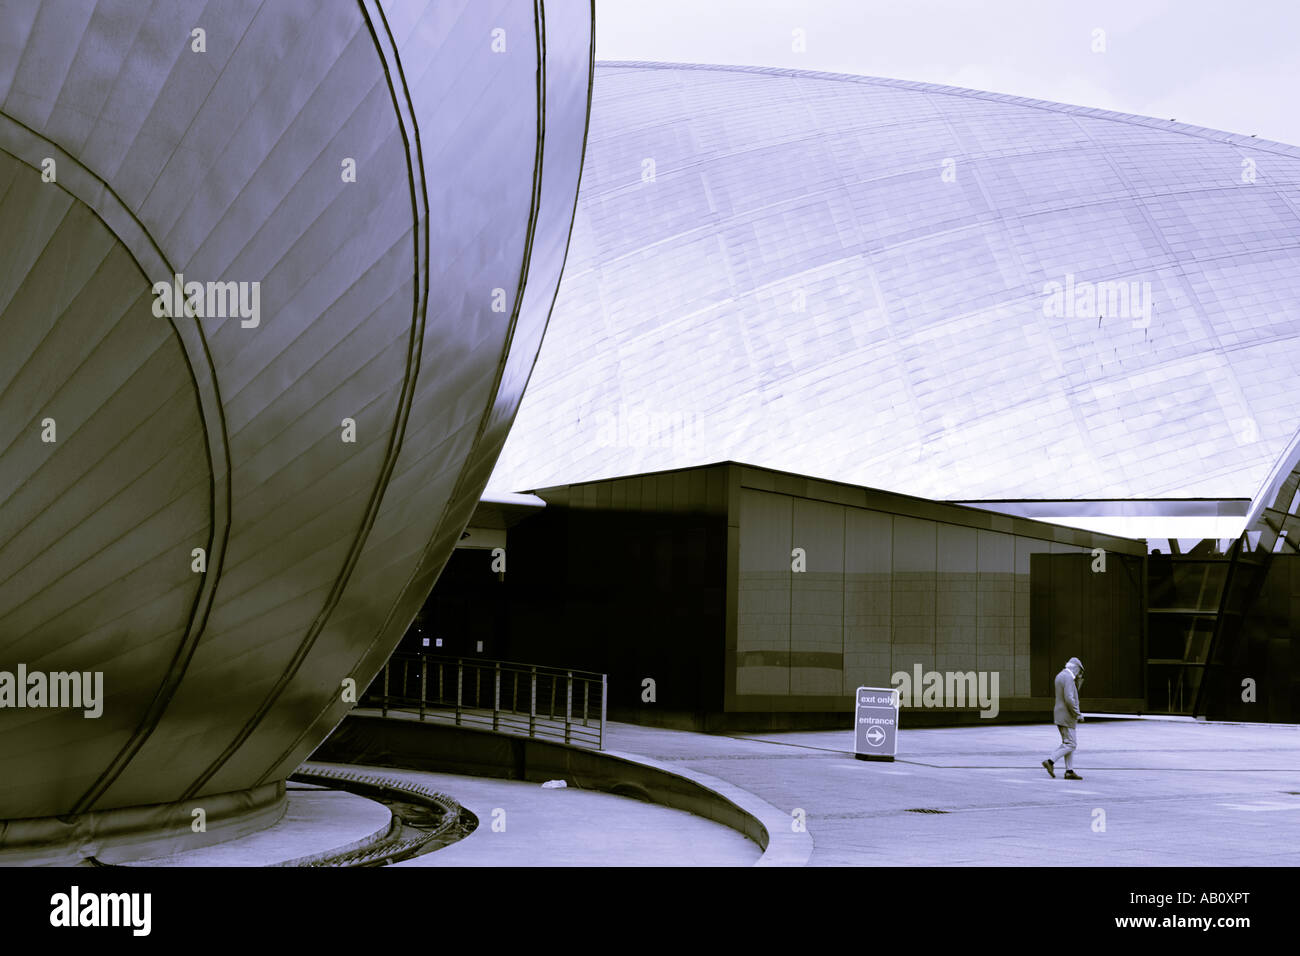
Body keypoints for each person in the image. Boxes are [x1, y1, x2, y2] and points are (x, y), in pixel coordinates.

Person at [1042, 657, 1085, 780]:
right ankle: (1050, 761)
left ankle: (1069, 771)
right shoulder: (1069, 678)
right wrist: (1077, 714)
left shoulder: (1060, 675)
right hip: (1067, 716)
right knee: (1071, 744)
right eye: (1079, 671)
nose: (1079, 674)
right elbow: (1069, 698)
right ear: (1075, 667)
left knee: (1067, 743)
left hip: (1061, 714)